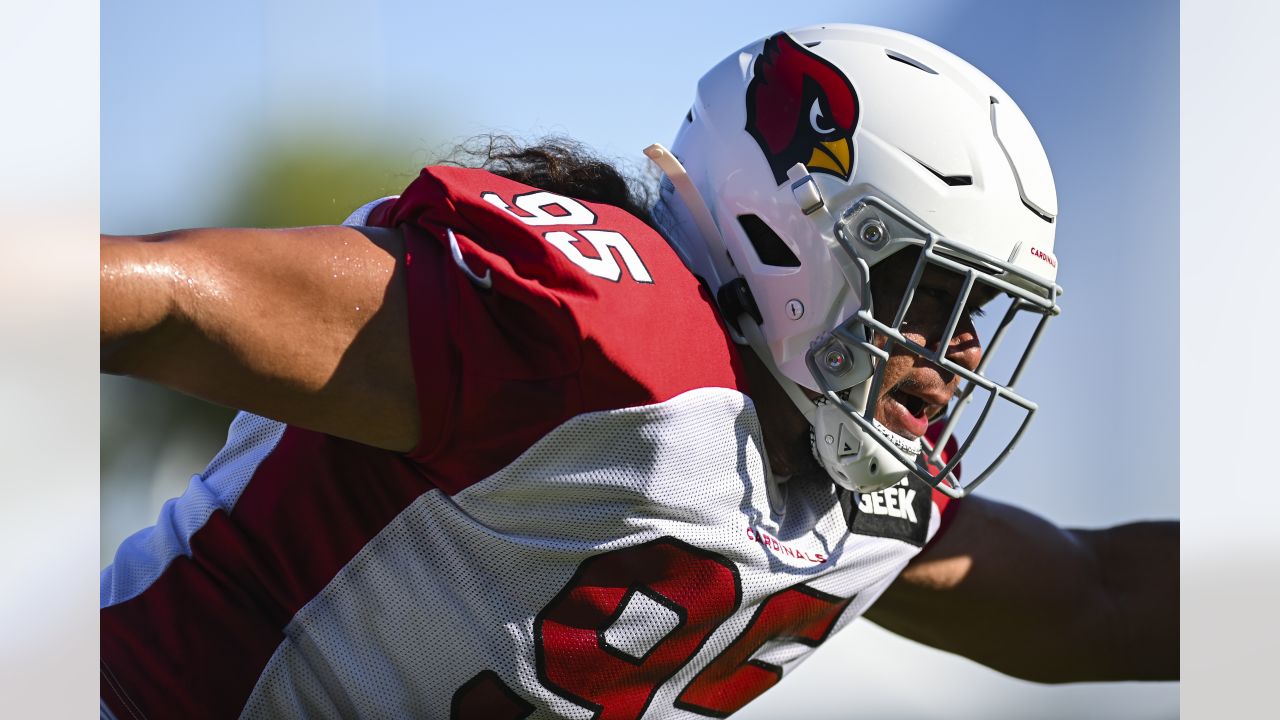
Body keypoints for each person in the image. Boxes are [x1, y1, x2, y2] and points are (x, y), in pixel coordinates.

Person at [99, 24, 1176, 719]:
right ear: (791, 232)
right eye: (926, 294)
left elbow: (1092, 599)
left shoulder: (858, 486)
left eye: (976, 311)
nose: (959, 355)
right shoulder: (591, 339)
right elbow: (152, 296)